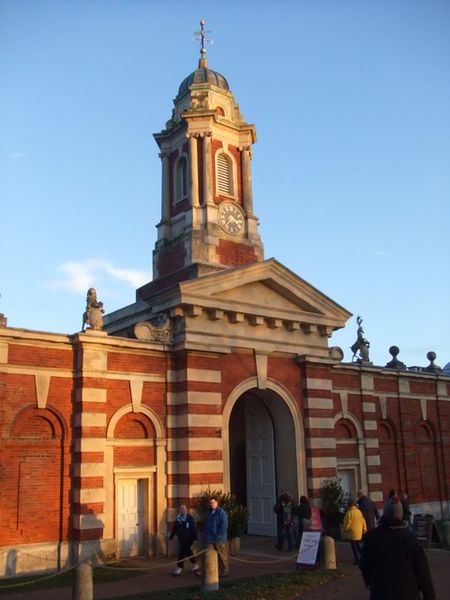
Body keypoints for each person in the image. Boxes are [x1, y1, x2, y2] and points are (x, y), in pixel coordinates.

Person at [360, 496, 435, 599]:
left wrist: (370, 582)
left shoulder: (372, 537)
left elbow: (364, 564)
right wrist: (429, 596)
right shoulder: (410, 538)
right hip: (408, 592)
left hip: (381, 592)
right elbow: (423, 572)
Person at [169, 504, 199, 576]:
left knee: (182, 552)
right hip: (182, 539)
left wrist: (195, 538)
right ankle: (195, 564)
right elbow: (174, 528)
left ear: (186, 510)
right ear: (179, 510)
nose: (183, 510)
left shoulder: (190, 518)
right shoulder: (178, 518)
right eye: (181, 509)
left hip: (189, 539)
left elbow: (193, 529)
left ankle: (179, 568)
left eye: (184, 509)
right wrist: (171, 537)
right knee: (188, 551)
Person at [204, 497, 229, 577]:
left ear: (217, 503)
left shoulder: (221, 513)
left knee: (221, 555)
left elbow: (224, 525)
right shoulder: (209, 513)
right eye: (210, 503)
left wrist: (218, 534)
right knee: (210, 555)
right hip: (210, 539)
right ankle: (212, 570)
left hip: (219, 539)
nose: (212, 504)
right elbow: (208, 525)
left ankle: (225, 570)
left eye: (213, 503)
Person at [343, 499, 367, 565]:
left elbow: (347, 523)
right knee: (358, 546)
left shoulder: (349, 513)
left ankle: (357, 560)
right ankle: (363, 556)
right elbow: (363, 521)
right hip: (359, 532)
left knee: (354, 548)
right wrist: (364, 529)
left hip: (352, 533)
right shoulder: (359, 512)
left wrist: (345, 529)